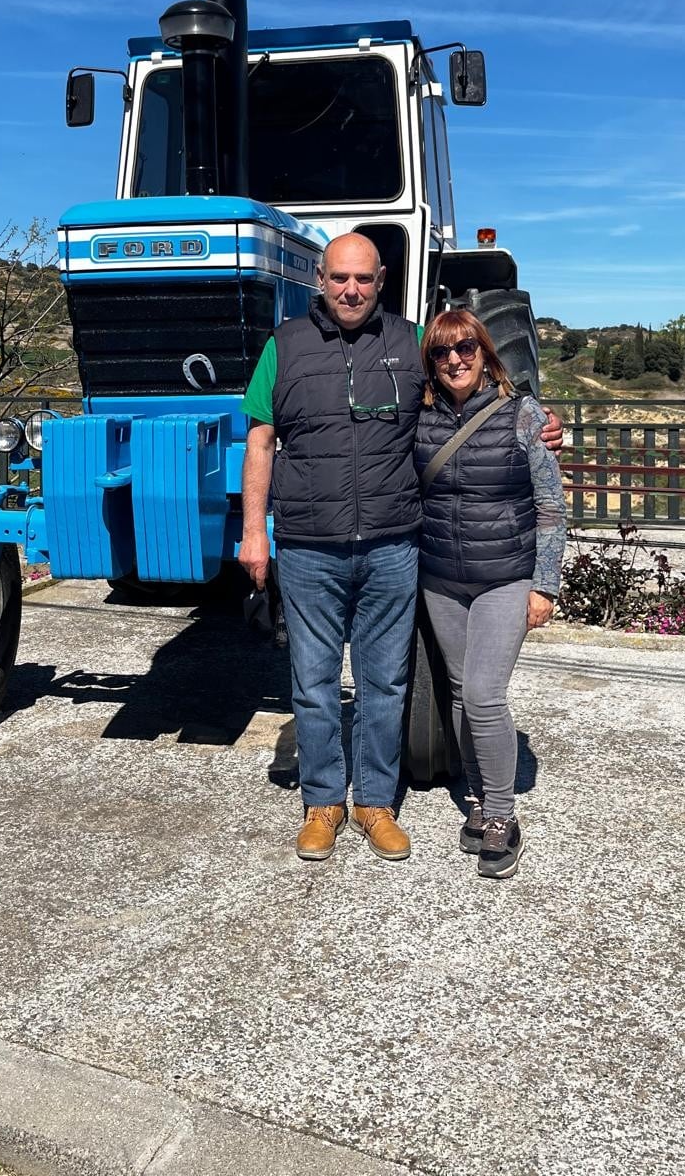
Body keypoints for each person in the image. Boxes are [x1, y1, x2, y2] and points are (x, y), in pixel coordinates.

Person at [238, 234, 563, 863]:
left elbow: (468, 393)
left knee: (385, 682)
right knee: (313, 683)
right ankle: (323, 802)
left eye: (363, 279)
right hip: (308, 546)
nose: (351, 290)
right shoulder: (284, 346)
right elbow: (260, 441)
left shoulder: (412, 342)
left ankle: (375, 803)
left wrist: (543, 424)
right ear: (320, 280)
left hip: (392, 545)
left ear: (381, 280)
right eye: (339, 278)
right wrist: (255, 531)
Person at [415, 307, 566, 881]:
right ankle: (478, 799)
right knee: (459, 691)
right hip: (441, 578)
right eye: (442, 352)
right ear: (431, 362)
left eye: (466, 349)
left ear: (485, 354)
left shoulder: (524, 415)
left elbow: (550, 508)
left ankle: (503, 815)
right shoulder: (420, 417)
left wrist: (544, 584)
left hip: (505, 577)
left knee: (483, 694)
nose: (455, 360)